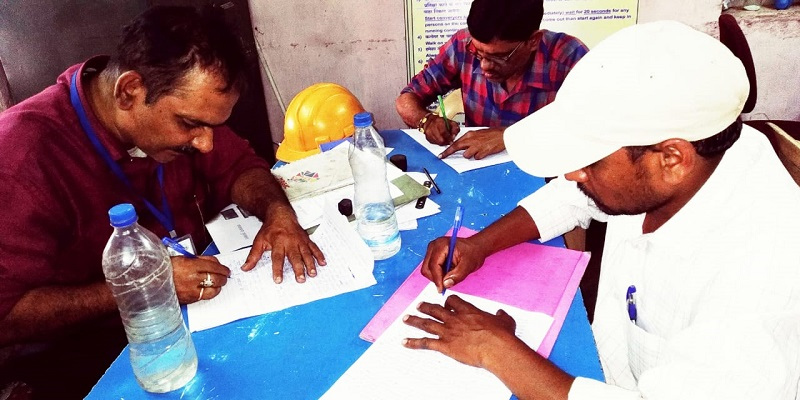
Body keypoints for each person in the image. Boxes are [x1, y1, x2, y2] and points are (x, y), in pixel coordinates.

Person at [403, 21, 800, 399]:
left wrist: (496, 350)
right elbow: (573, 196)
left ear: (672, 159)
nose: (572, 172)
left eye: (590, 161)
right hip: (605, 360)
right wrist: (480, 245)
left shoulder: (756, 291)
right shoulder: (697, 148)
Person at [0, 6, 325, 398]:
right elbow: (7, 317)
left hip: (199, 311)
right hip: (98, 353)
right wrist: (144, 286)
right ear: (129, 92)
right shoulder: (20, 160)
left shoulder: (181, 107)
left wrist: (278, 214)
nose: (206, 143)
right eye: (190, 124)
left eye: (213, 127)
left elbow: (240, 166)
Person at [395, 0, 588, 160]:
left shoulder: (569, 57)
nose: (485, 66)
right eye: (478, 52)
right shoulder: (462, 44)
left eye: (499, 57)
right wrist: (426, 121)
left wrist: (509, 137)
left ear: (533, 41)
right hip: (478, 167)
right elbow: (406, 99)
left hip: (546, 164)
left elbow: (594, 128)